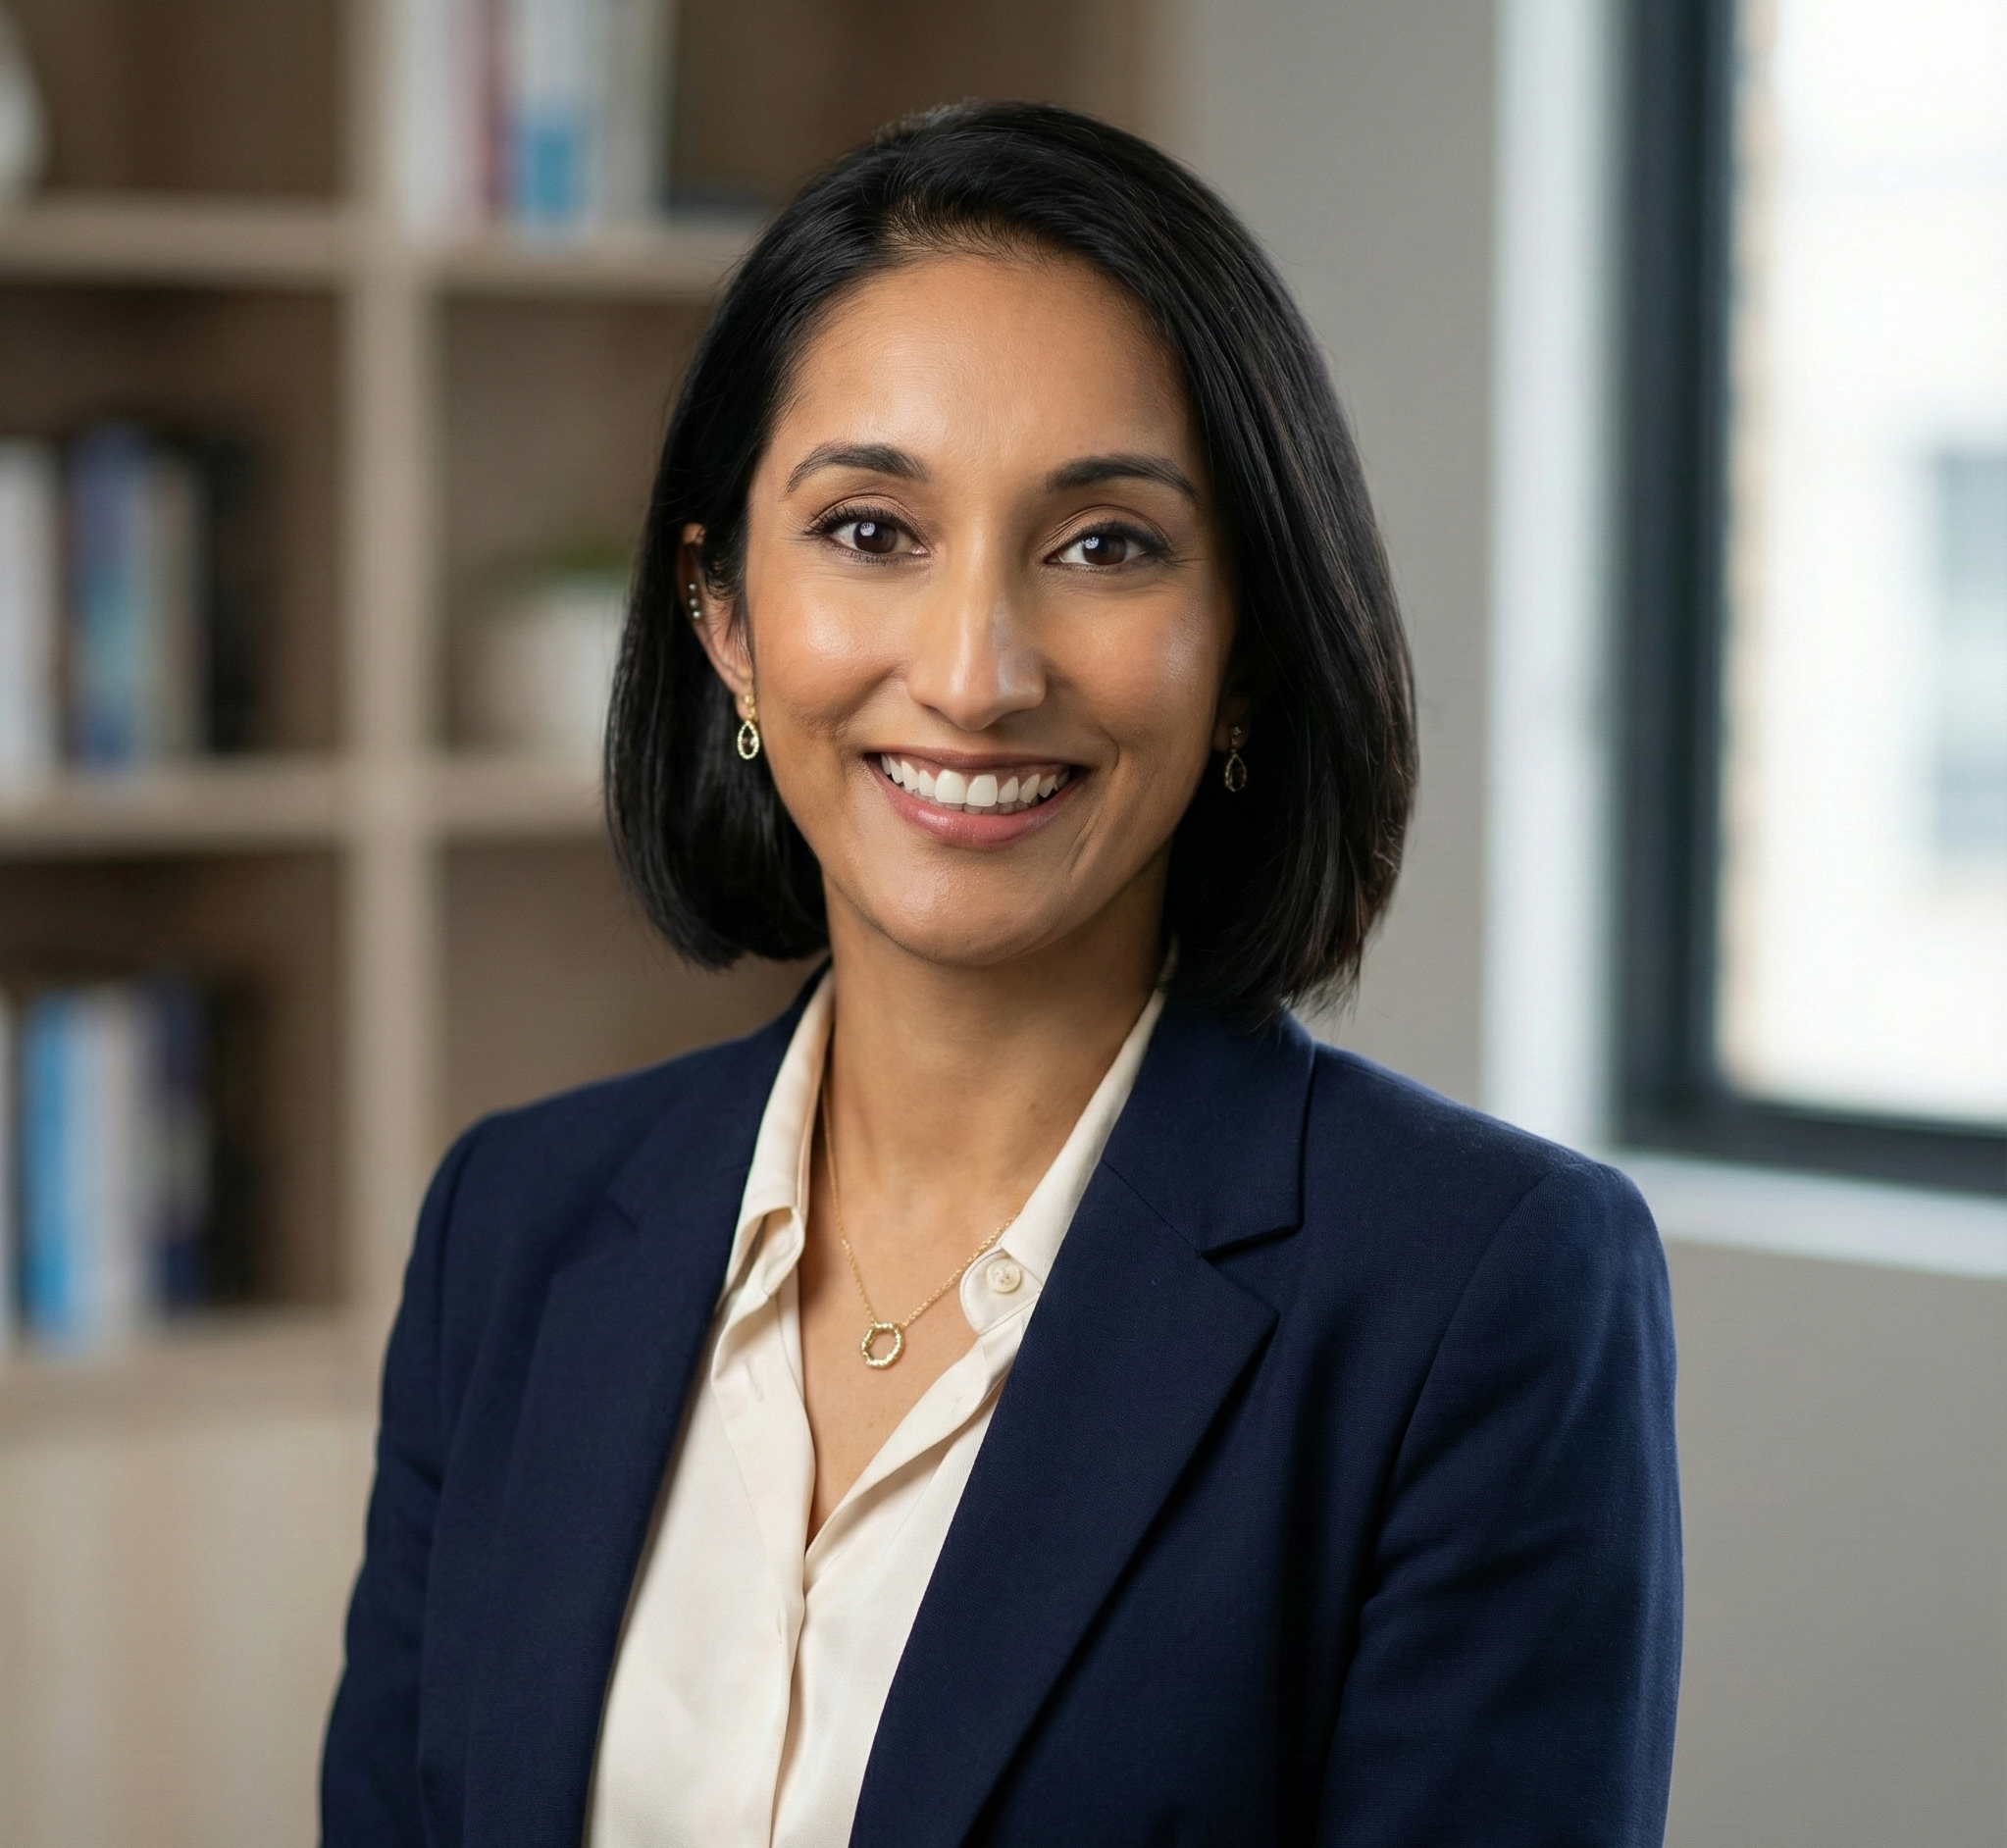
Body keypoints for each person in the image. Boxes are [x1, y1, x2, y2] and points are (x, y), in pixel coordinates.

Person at [322, 101, 1680, 1848]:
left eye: (1104, 544)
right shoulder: (513, 1227)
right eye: (871, 531)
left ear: (1245, 651)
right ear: (722, 614)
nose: (973, 676)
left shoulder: (1479, 1299)